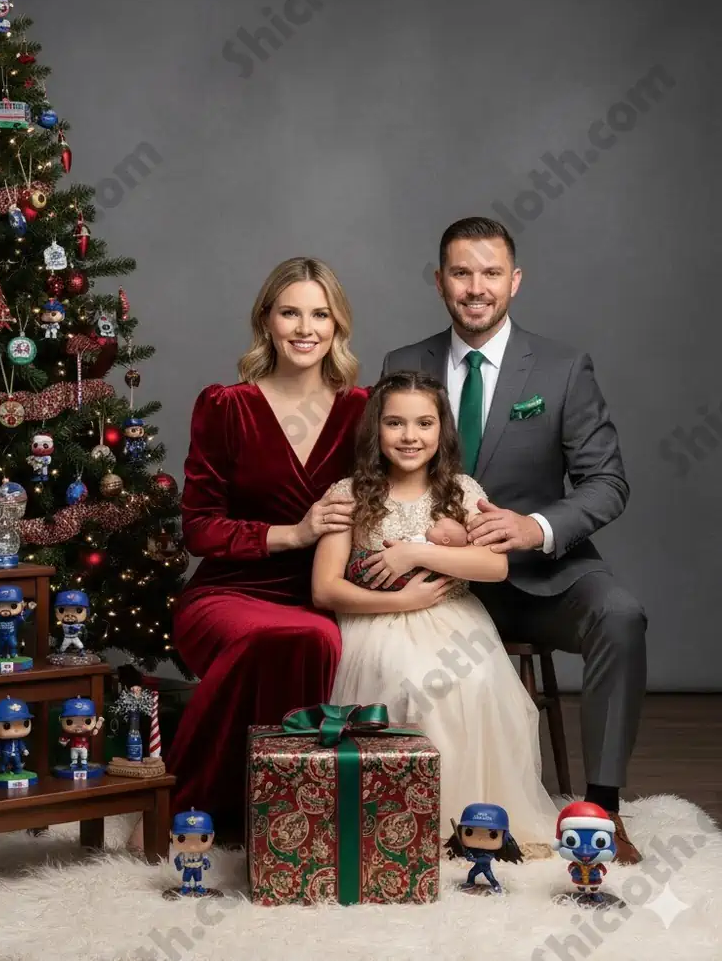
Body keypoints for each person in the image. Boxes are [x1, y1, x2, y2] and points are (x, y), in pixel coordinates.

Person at [378, 216, 646, 863]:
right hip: (438, 584)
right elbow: (374, 472)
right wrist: (420, 531)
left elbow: (608, 482)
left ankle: (602, 808)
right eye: (462, 273)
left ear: (515, 281)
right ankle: (410, 810)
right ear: (439, 281)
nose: (477, 287)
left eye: (491, 273)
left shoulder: (563, 367)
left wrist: (535, 527)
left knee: (620, 616)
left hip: (540, 577)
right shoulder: (402, 364)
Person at [160, 256, 368, 845]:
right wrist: (293, 534)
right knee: (295, 637)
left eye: (320, 315)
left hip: (324, 591)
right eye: (290, 313)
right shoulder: (227, 406)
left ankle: (283, 821)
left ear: (337, 325)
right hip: (230, 591)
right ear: (266, 321)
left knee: (311, 633)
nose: (305, 329)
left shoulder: (363, 409)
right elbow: (200, 529)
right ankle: (198, 804)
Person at [315, 371, 558, 854]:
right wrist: (400, 600)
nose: (410, 436)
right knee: (414, 683)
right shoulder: (349, 493)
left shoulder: (461, 490)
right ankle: (405, 825)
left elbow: (494, 566)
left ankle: (470, 820)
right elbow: (325, 589)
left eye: (424, 423)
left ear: (441, 430)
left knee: (476, 681)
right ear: (375, 429)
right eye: (395, 423)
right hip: (378, 619)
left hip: (453, 614)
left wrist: (415, 553)